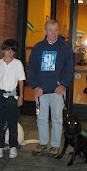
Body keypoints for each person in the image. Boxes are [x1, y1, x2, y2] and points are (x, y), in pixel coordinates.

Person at [28, 19, 74, 157]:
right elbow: (33, 70)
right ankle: (43, 143)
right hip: (41, 91)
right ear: (45, 31)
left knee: (57, 119)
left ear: (58, 31)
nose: (53, 34)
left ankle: (55, 146)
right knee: (41, 118)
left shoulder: (65, 48)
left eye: (56, 30)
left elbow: (69, 69)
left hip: (57, 91)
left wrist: (63, 85)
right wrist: (35, 86)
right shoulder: (38, 48)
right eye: (50, 30)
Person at [0, 39, 26, 159]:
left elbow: (21, 81)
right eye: (7, 50)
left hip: (12, 98)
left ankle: (13, 147)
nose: (9, 53)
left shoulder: (18, 64)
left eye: (12, 50)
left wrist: (21, 97)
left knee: (12, 123)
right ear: (3, 50)